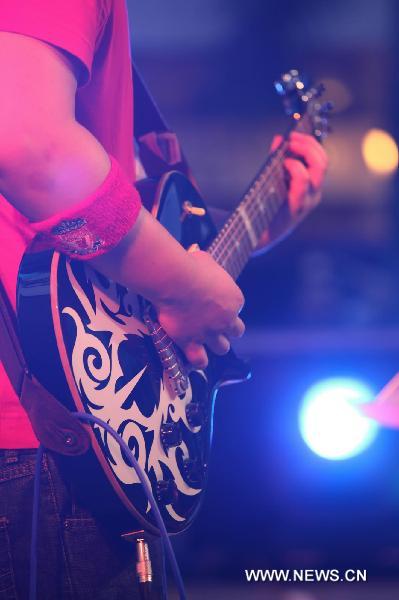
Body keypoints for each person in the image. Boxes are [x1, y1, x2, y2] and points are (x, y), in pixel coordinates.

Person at [0, 1, 328, 598]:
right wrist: (183, 286)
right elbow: (30, 146)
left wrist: (252, 228)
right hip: (46, 428)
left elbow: (106, 219)